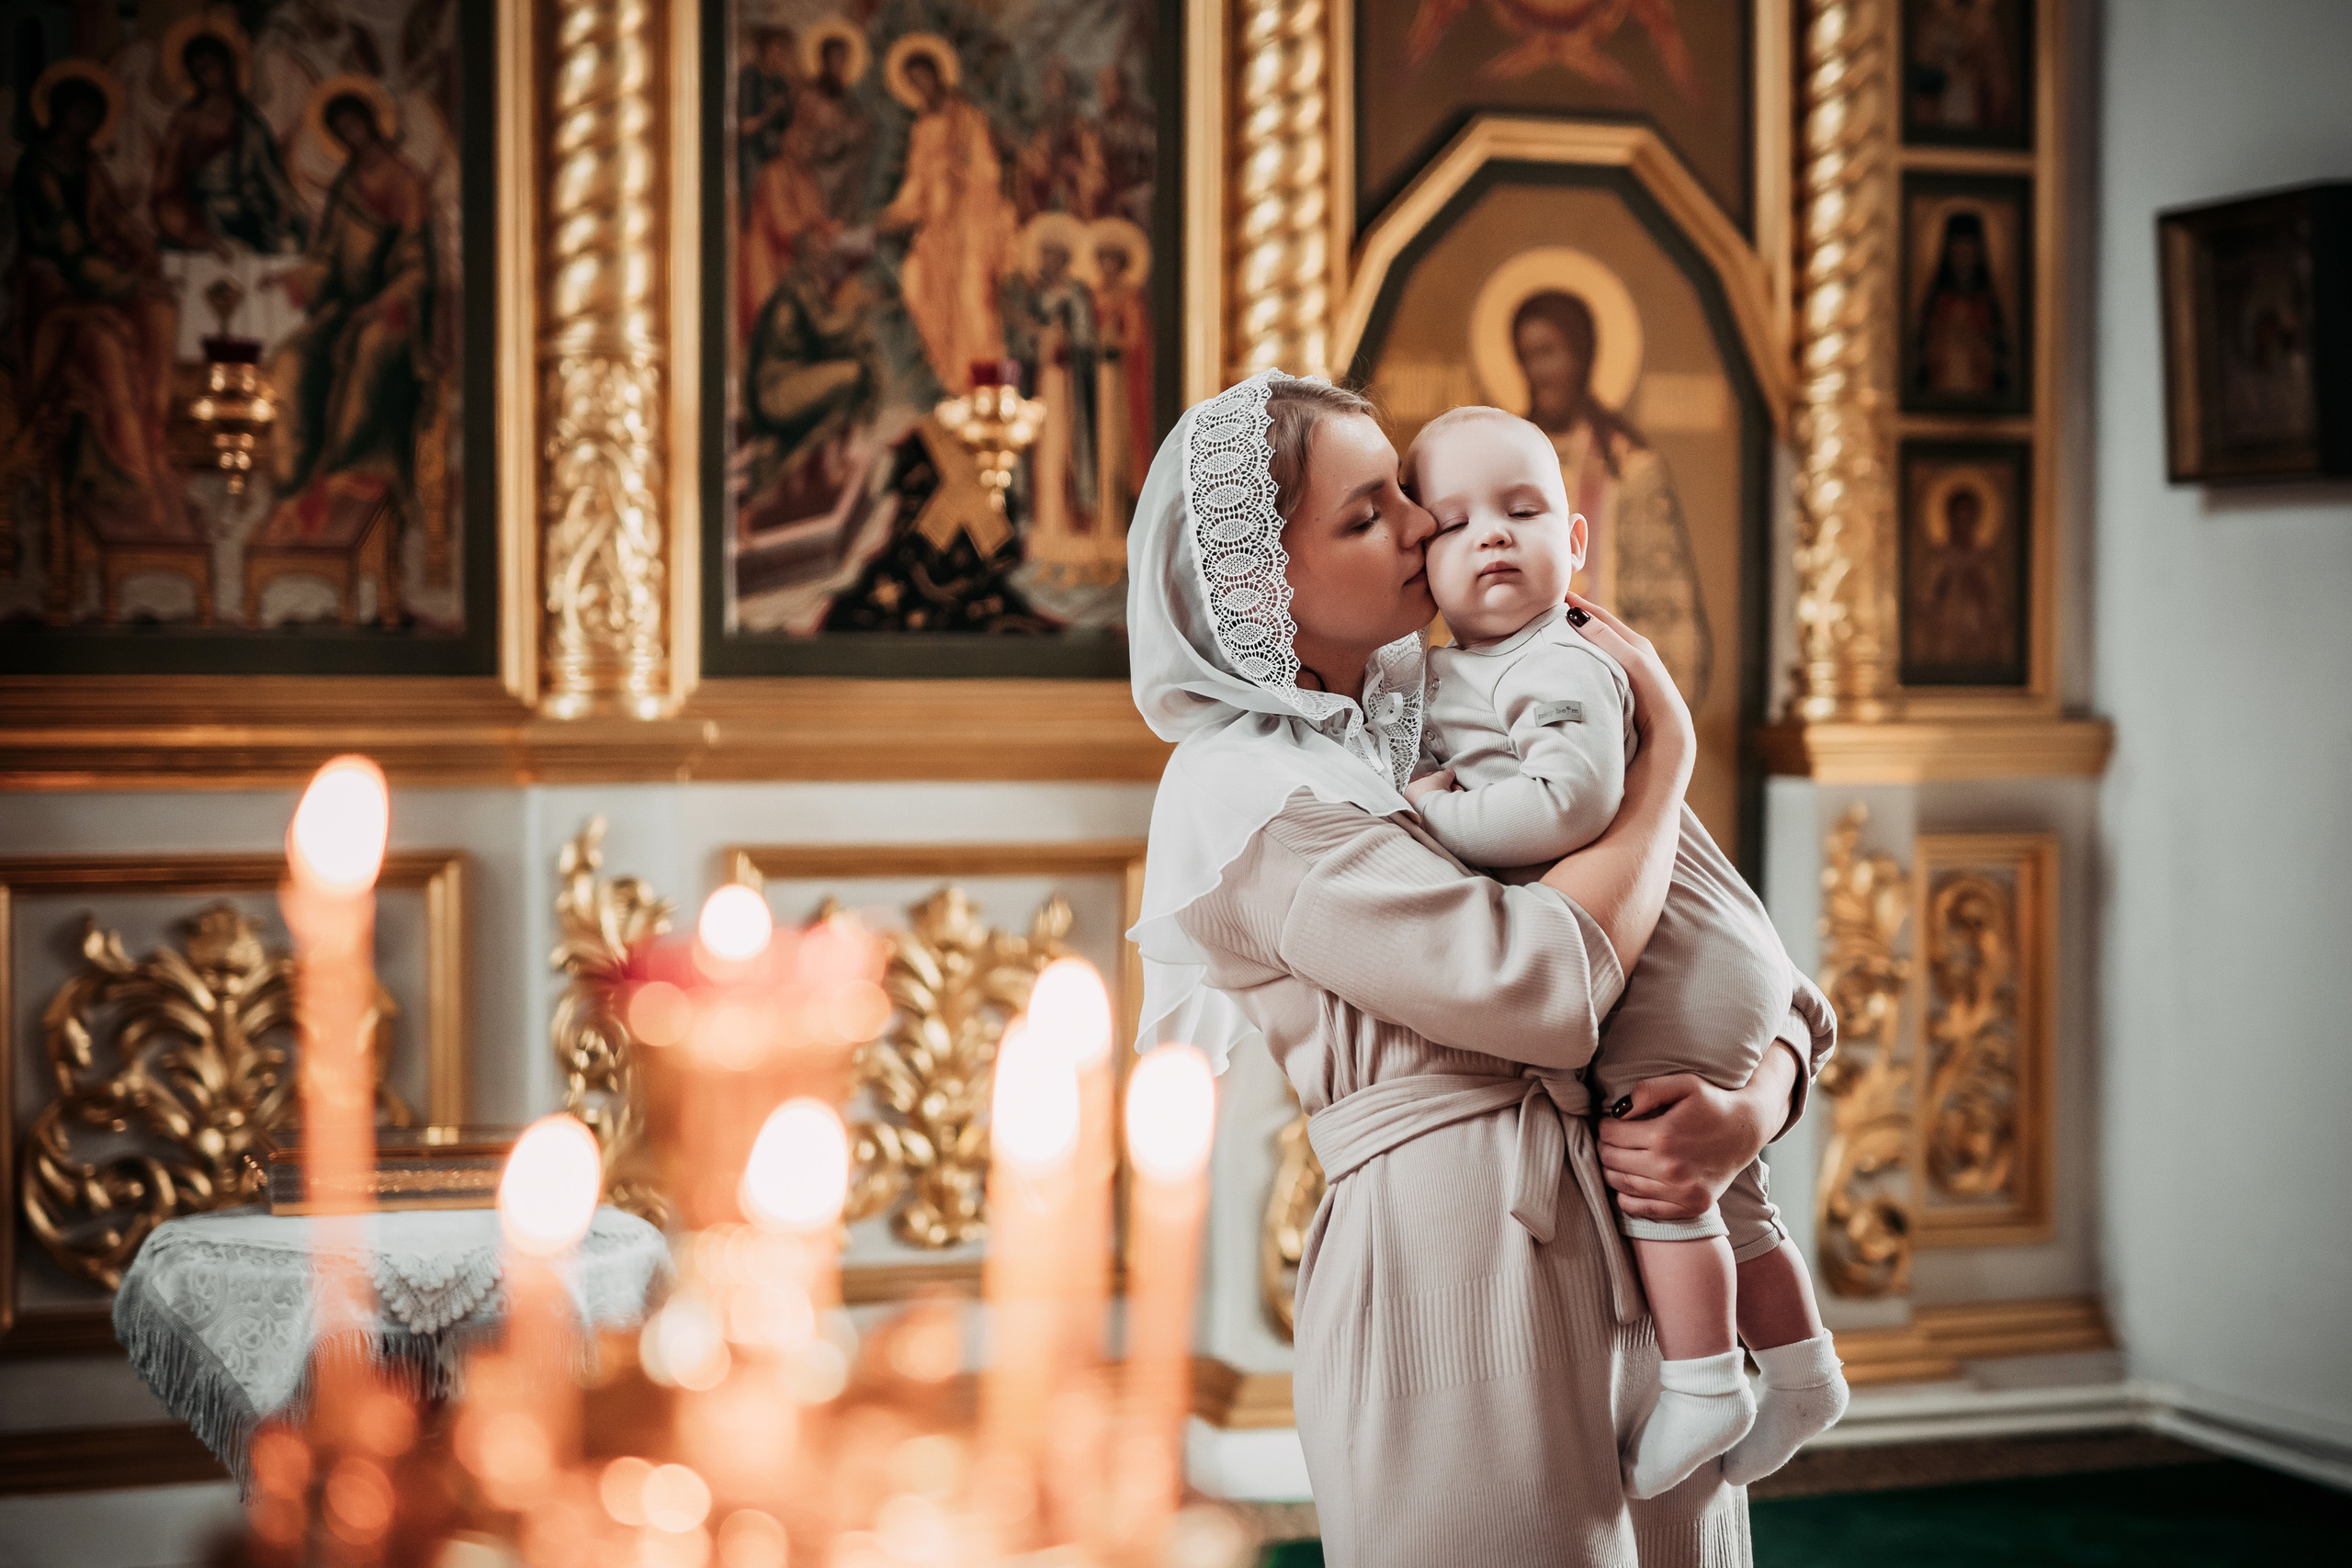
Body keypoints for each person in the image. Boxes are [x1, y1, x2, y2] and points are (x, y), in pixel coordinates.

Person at [1128, 371, 1834, 1565]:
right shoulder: (1247, 794)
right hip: (1451, 1281)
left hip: (1640, 1253)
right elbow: (1543, 990)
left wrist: (1750, 1107)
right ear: (1263, 585)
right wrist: (1668, 759)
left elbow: (1748, 961)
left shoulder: (1482, 694)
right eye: (1369, 514)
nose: (1423, 526)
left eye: (1406, 494)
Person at [1399, 404, 1848, 1499]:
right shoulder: (1474, 669)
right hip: (1717, 947)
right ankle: (1802, 1372)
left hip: (1680, 953)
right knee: (1731, 1190)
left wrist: (1438, 812)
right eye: (1453, 525)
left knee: (1657, 1168)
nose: (1492, 538)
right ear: (1423, 565)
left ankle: (1704, 1380)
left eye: (1522, 511)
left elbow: (1568, 801)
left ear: (1578, 542)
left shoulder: (1556, 658)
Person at [9, 71, 193, 548]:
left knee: (161, 312)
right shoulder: (39, 169)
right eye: (79, 111)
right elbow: (67, 244)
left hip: (96, 284)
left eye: (94, 115)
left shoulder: (87, 163)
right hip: (53, 294)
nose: (86, 122)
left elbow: (113, 219)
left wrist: (147, 262)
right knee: (107, 344)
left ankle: (154, 443)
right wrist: (125, 281)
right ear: (58, 112)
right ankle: (131, 478)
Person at [1511, 289, 1713, 707]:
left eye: (1550, 353)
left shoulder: (1630, 470)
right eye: (1528, 356)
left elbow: (1669, 614)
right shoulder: (1502, 461)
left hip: (1618, 702)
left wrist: (1658, 723)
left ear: (1581, 357)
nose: (1539, 372)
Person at [265, 90, 435, 545]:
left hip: (392, 312)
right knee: (292, 358)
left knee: (369, 347)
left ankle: (347, 473)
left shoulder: (404, 179)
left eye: (355, 124)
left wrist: (379, 304)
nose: (350, 134)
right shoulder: (347, 182)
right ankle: (292, 486)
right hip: (346, 308)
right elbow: (327, 258)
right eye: (341, 130)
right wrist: (298, 279)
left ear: (371, 122)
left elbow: (418, 265)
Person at [876, 43, 1010, 397]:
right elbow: (916, 185)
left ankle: (983, 388)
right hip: (937, 231)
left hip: (969, 228)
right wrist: (892, 217)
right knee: (918, 285)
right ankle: (953, 382)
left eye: (924, 76)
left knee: (972, 302)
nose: (921, 85)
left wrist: (960, 171)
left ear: (938, 75)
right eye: (913, 81)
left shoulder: (967, 118)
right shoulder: (922, 127)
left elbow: (988, 173)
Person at [150, 30, 307, 257]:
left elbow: (272, 177)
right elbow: (165, 185)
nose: (207, 75)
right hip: (203, 215)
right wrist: (190, 231)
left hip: (252, 215)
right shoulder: (186, 120)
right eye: (199, 70)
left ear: (228, 66)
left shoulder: (250, 121)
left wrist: (293, 209)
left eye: (212, 66)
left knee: (293, 237)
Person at [1914, 210, 2011, 400]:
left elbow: (1999, 359)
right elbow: (1922, 356)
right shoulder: (1937, 302)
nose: (1963, 262)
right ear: (1948, 255)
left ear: (1979, 255)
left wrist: (1976, 343)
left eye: (1969, 253)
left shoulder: (1987, 303)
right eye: (1958, 253)